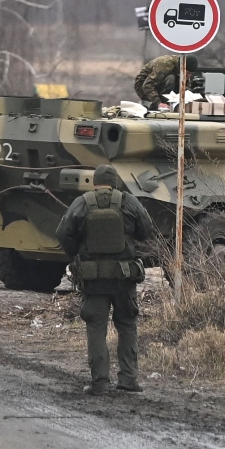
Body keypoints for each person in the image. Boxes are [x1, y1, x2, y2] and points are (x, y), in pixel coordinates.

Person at [55, 165, 152, 396]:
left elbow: (63, 232)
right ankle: (128, 379)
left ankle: (100, 382)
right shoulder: (128, 201)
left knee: (96, 328)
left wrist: (77, 256)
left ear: (94, 182)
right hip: (124, 278)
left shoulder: (83, 202)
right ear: (115, 182)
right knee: (127, 326)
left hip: (94, 279)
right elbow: (146, 229)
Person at [134, 54, 199, 106]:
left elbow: (185, 85)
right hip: (143, 86)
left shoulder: (183, 71)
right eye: (188, 73)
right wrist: (158, 103)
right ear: (182, 67)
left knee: (186, 89)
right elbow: (147, 85)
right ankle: (163, 104)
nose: (189, 75)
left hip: (161, 84)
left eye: (191, 74)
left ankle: (171, 104)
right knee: (171, 78)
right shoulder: (165, 65)